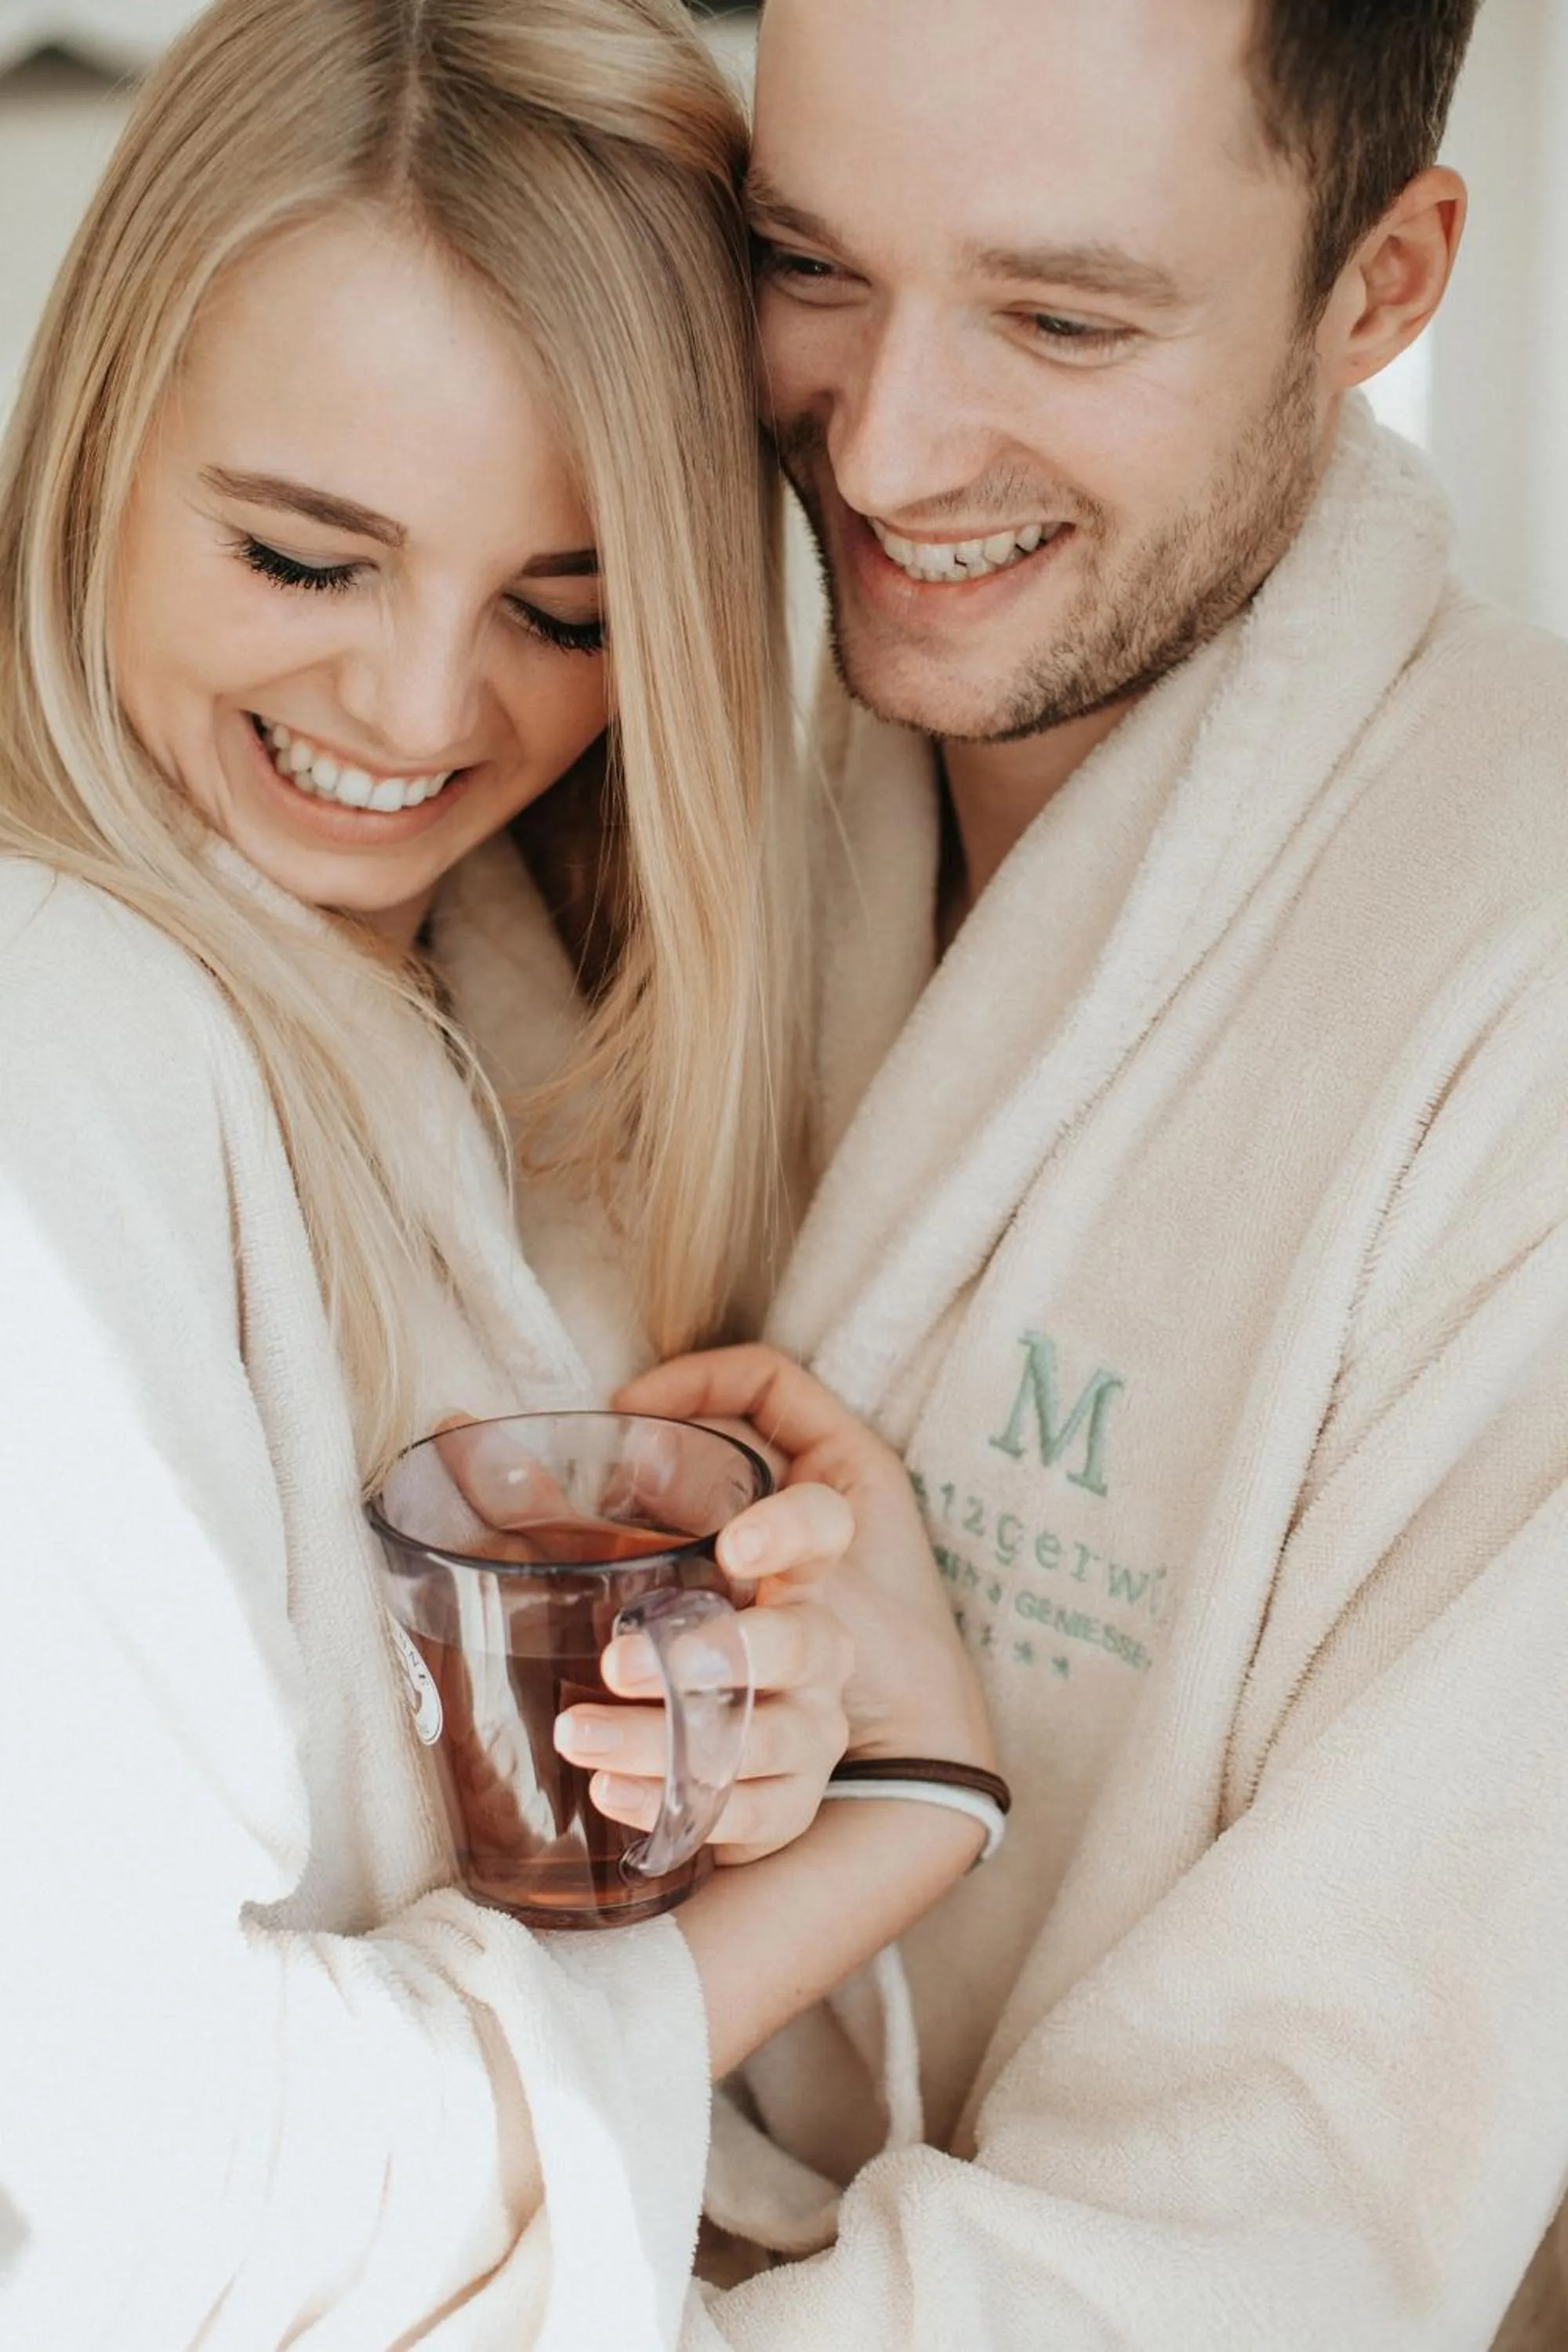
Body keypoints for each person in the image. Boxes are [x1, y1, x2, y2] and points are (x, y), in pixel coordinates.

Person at [0, 2, 996, 2344]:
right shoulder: (55, 1058)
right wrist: (895, 1820)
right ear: (92, 438)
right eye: (304, 559)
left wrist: (703, 1772)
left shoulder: (494, 1003)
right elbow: (125, 2188)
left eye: (565, 611)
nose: (426, 711)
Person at [626, 0, 1568, 2343]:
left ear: (1381, 282)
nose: (883, 445)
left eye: (1061, 319)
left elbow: (1269, 2224)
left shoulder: (1520, 982)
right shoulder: (628, 736)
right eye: (810, 263)